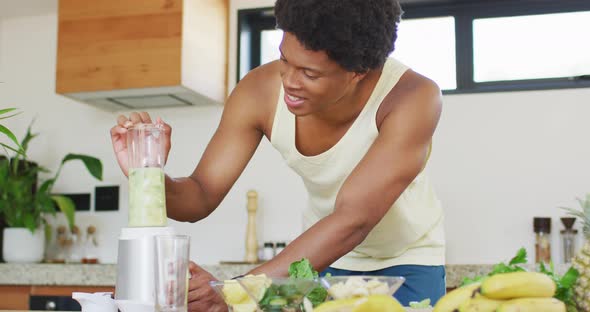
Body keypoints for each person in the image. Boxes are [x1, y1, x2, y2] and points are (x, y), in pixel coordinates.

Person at [110, 0, 445, 309]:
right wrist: (147, 174)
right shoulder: (259, 91)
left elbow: (353, 218)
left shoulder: (412, 97)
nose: (289, 80)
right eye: (285, 59)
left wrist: (235, 291)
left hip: (407, 262)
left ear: (358, 72)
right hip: (315, 262)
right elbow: (199, 196)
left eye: (310, 73)